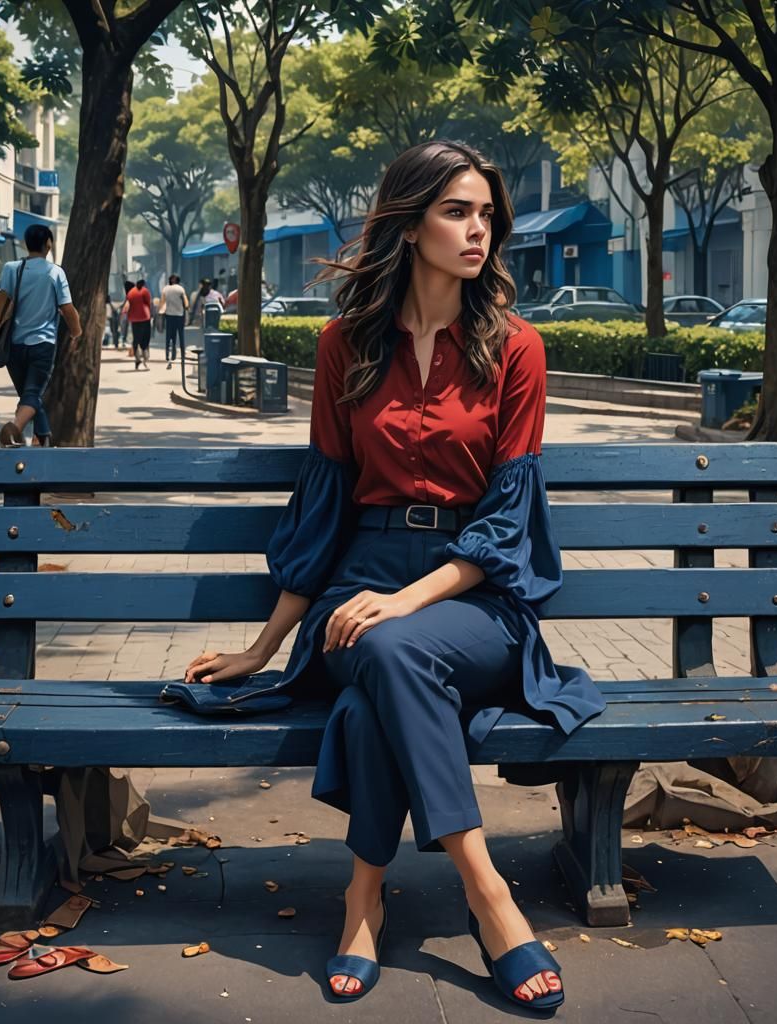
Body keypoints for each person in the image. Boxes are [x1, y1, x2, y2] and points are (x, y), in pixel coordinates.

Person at [183, 140, 601, 1010]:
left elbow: (505, 520)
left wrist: (407, 599)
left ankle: (388, 900)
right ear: (409, 226)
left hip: (473, 596)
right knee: (380, 670)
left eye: (487, 213)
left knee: (390, 663)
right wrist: (264, 648)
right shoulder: (346, 345)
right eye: (457, 211)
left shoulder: (516, 350)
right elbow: (327, 506)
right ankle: (468, 899)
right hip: (359, 578)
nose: (477, 228)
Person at [0, 224, 82, 447]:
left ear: (27, 244)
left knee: (30, 396)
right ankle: (14, 429)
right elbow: (67, 309)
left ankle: (42, 437)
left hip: (13, 345)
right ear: (48, 244)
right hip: (42, 344)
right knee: (33, 394)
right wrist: (76, 332)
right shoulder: (55, 272)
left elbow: (4, 301)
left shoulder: (11, 268)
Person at [158, 273, 188, 369]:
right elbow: (186, 303)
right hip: (179, 316)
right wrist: (186, 308)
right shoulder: (181, 289)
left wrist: (160, 313)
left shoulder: (165, 289)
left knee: (170, 336)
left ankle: (168, 355)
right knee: (181, 335)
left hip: (169, 316)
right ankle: (183, 354)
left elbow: (162, 302)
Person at [122, 278, 152, 370]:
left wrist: (124, 315)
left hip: (135, 320)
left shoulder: (129, 295)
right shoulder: (144, 291)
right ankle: (145, 358)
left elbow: (126, 308)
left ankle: (138, 358)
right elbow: (148, 302)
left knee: (136, 339)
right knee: (145, 338)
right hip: (145, 318)